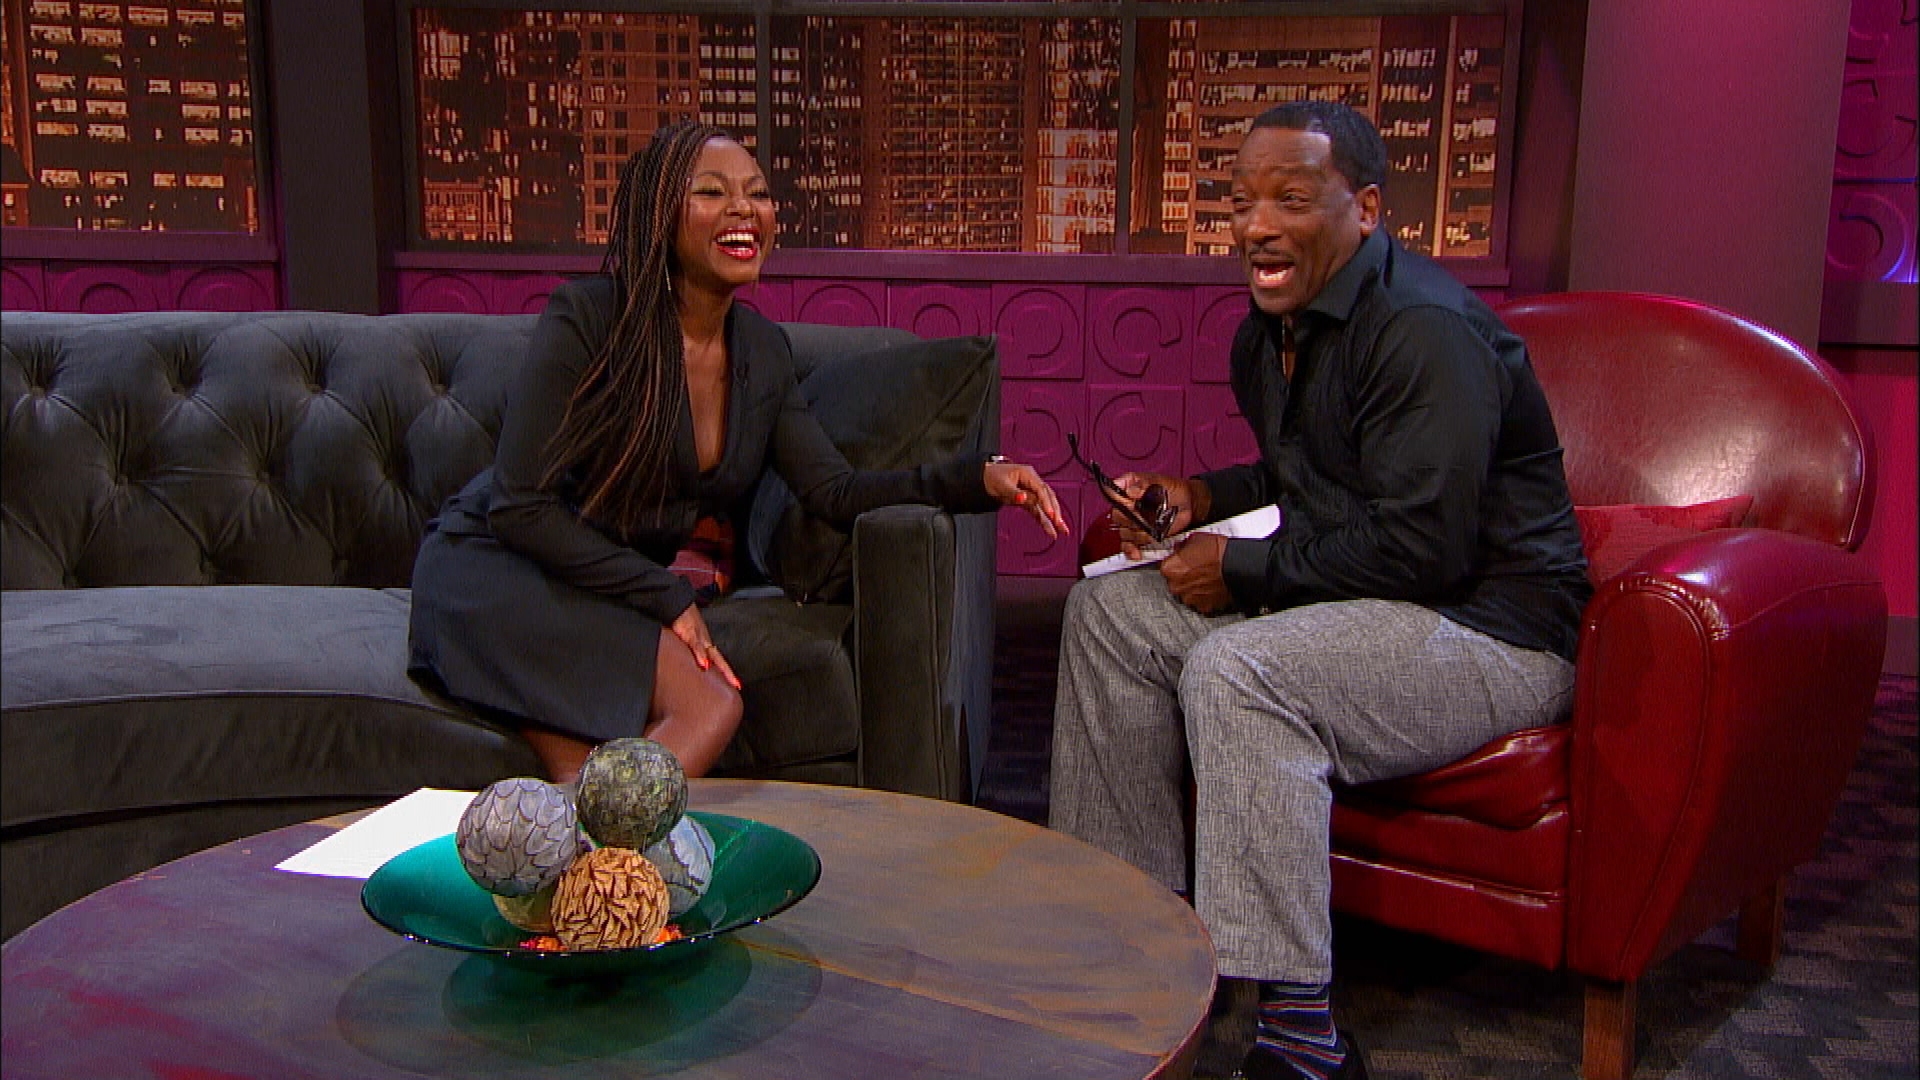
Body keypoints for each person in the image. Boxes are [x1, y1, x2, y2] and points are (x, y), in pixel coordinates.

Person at [1048, 101, 1590, 1080]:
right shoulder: (1270, 335)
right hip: (1371, 606)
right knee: (1109, 616)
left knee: (1241, 670)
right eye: (1241, 202)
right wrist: (1202, 496)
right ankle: (1132, 947)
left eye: (1291, 200)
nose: (1256, 226)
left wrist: (1239, 569)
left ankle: (1302, 1039)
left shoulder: (1425, 332)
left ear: (1366, 209)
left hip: (1488, 633)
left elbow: (1424, 550)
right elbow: (1318, 477)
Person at [408, 120, 1068, 785]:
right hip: (494, 567)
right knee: (711, 706)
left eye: (758, 193)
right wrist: (664, 595)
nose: (744, 209)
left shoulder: (761, 351)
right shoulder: (588, 318)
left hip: (592, 588)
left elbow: (834, 490)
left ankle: (578, 855)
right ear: (661, 215)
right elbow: (520, 507)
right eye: (712, 192)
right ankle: (604, 851)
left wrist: (976, 478)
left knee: (581, 782)